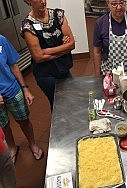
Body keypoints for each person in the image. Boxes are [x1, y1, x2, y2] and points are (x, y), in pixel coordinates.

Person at [21, 0, 75, 110]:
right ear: (28, 1)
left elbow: (71, 44)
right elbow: (38, 57)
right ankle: (59, 127)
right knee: (57, 104)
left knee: (72, 98)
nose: (43, 2)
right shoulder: (28, 25)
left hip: (63, 68)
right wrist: (63, 50)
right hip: (46, 74)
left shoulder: (58, 15)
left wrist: (46, 51)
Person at [0, 34, 44, 163]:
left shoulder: (2, 40)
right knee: (4, 125)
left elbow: (13, 65)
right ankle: (12, 148)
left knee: (23, 120)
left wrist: (25, 88)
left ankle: (32, 144)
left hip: (13, 90)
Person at [93, 0, 127, 78]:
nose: (119, 7)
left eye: (122, 3)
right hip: (109, 72)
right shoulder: (101, 23)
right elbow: (97, 52)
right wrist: (97, 76)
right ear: (108, 3)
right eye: (114, 4)